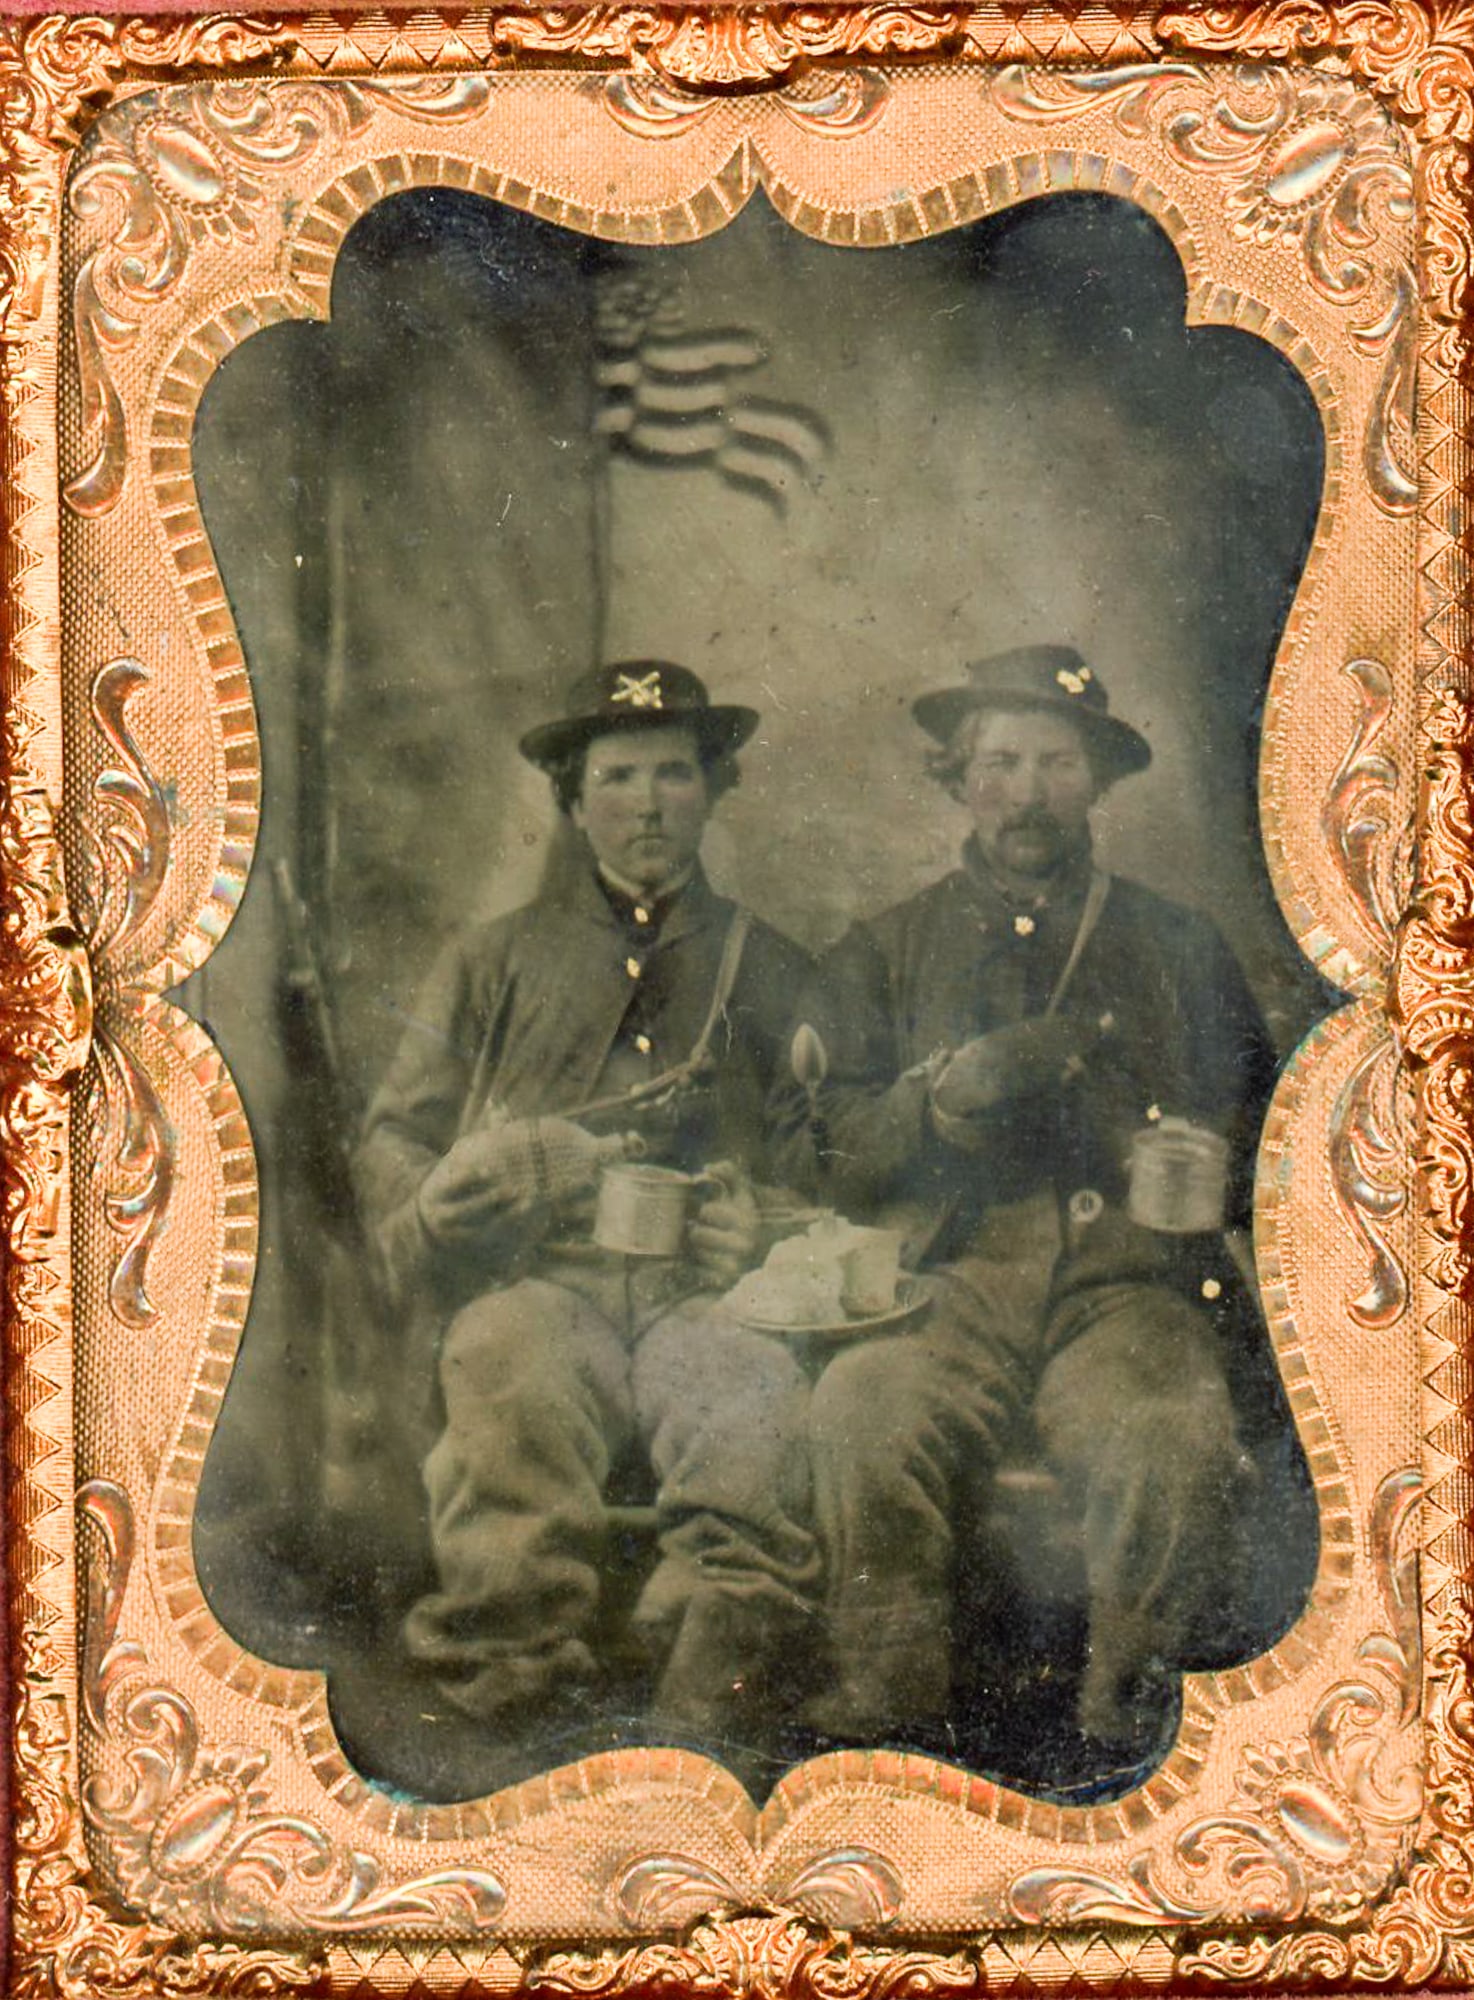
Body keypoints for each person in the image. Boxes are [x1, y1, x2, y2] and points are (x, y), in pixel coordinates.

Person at [773, 644, 1293, 1760]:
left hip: (1124, 1296)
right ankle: (888, 1718)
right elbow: (824, 1153)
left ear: (1095, 782)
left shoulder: (1177, 946)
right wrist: (938, 1111)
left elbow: (1280, 1143)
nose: (1026, 791)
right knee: (862, 1412)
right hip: (940, 1289)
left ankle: (1129, 1730)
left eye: (1056, 762)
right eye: (999, 761)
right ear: (956, 778)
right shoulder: (886, 949)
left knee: (1174, 1435)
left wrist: (1221, 1164)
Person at [355, 660, 818, 1754]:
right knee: (504, 1368)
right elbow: (391, 1142)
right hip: (536, 1283)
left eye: (673, 773)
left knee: (749, 1390)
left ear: (712, 789)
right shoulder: (491, 959)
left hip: (702, 1294)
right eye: (616, 778)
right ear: (572, 802)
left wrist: (760, 1220)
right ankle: (506, 1682)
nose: (647, 803)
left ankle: (707, 1685)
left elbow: (831, 1163)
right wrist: (445, 1192)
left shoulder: (774, 963)